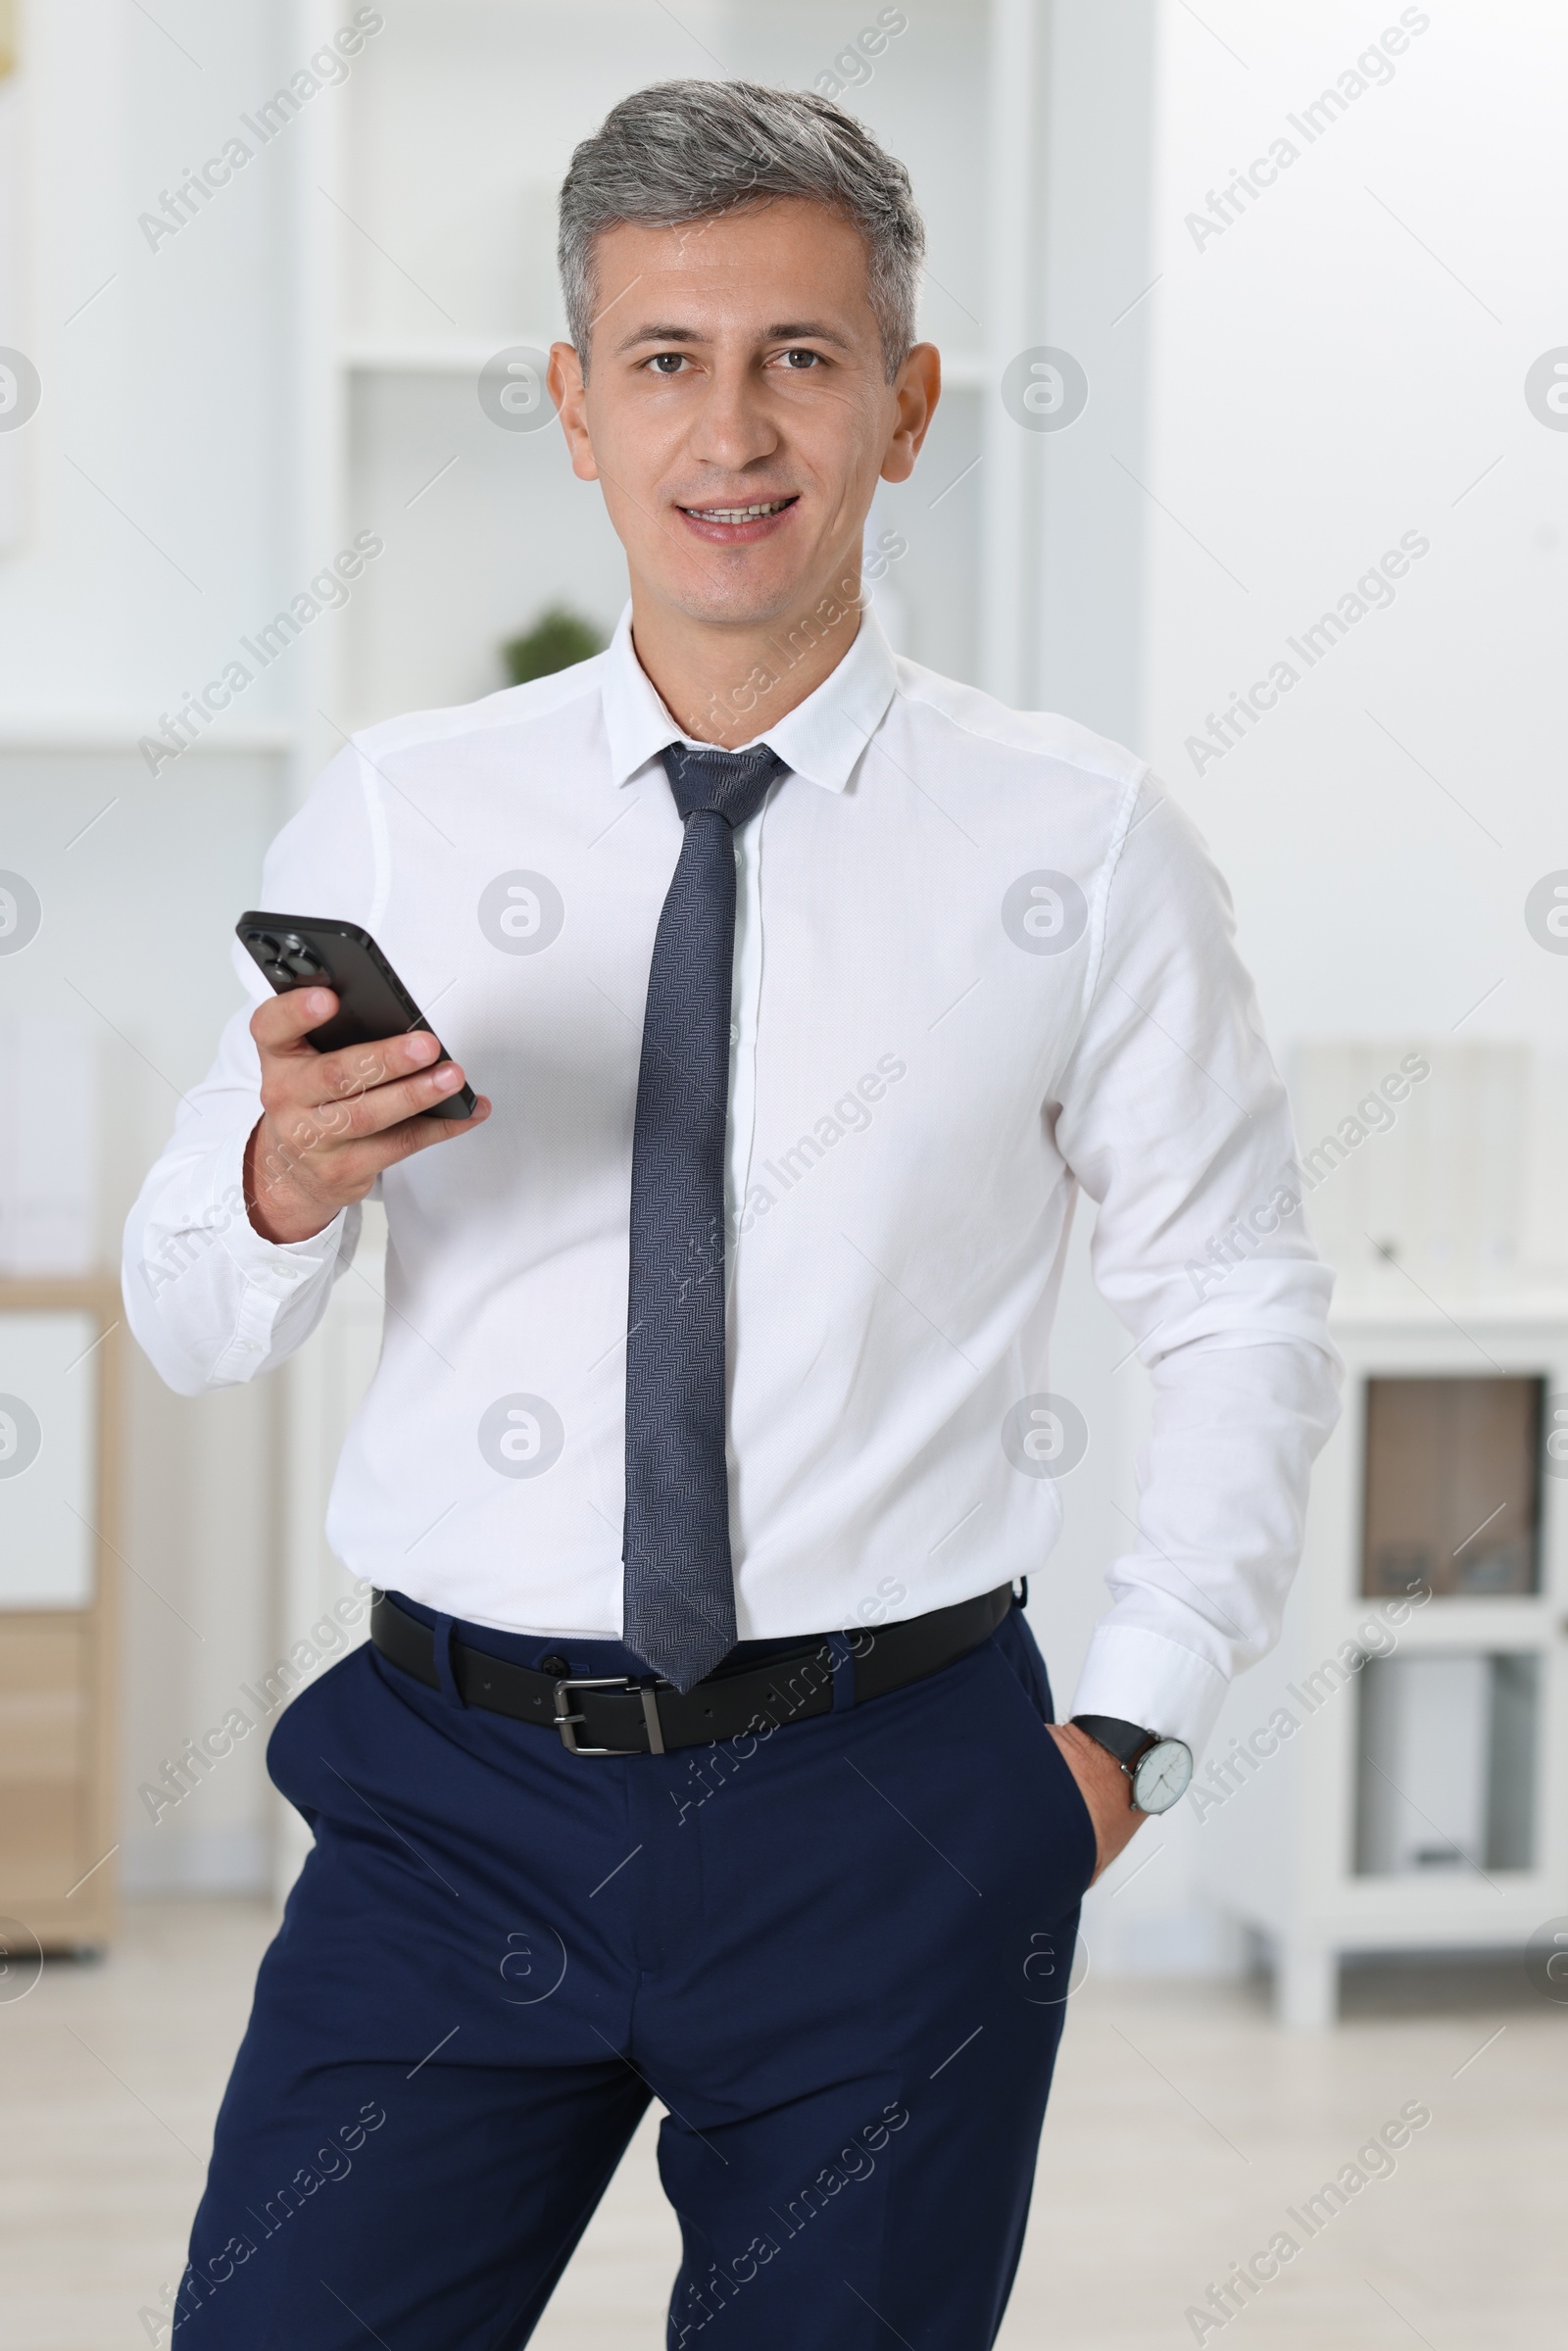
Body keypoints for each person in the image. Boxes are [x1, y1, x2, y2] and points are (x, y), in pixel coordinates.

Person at [125, 78, 1340, 2351]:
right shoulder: (402, 812)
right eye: (664, 360)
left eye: (798, 355)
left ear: (904, 403)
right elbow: (194, 1320)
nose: (732, 428)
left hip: (896, 1808)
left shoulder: (1074, 843)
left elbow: (1240, 1303)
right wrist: (283, 1185)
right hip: (449, 1802)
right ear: (576, 411)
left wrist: (1130, 1741)